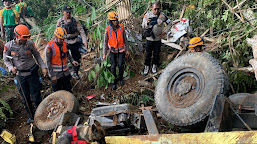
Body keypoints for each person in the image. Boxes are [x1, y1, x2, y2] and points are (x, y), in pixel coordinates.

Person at [3, 24, 47, 124]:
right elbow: (5, 60)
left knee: (36, 96)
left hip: (32, 73)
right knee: (25, 98)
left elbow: (38, 57)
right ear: (18, 37)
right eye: (24, 38)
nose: (26, 40)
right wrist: (11, 68)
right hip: (20, 76)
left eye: (27, 38)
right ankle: (31, 116)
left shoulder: (30, 44)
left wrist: (43, 67)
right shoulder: (9, 46)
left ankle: (42, 114)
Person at [56, 5, 88, 80]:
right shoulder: (60, 22)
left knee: (77, 57)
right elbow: (57, 33)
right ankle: (65, 72)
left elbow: (81, 31)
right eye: (67, 12)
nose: (68, 14)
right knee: (64, 57)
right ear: (63, 12)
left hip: (75, 41)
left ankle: (76, 72)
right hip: (65, 42)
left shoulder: (75, 21)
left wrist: (85, 41)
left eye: (70, 12)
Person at [142, 1, 171, 75]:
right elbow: (143, 25)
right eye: (155, 9)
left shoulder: (162, 16)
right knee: (148, 54)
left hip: (158, 39)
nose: (156, 10)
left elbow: (170, 23)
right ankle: (146, 67)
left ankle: (154, 66)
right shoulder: (147, 15)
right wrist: (147, 23)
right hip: (149, 39)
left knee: (156, 54)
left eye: (158, 9)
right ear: (152, 8)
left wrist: (165, 32)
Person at [45, 27, 79, 92]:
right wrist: (52, 76)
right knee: (57, 93)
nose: (62, 41)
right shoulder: (50, 46)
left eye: (63, 39)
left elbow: (68, 54)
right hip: (56, 75)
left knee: (68, 90)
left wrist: (72, 61)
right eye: (61, 39)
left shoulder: (64, 44)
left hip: (65, 73)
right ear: (56, 37)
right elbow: (48, 62)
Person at [103, 11, 130, 90]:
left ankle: (121, 78)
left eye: (116, 20)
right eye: (114, 20)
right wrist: (104, 54)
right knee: (113, 66)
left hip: (121, 50)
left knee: (121, 64)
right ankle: (114, 81)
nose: (116, 22)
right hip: (112, 51)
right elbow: (105, 42)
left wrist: (127, 50)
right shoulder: (108, 30)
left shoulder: (121, 27)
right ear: (110, 21)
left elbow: (125, 39)